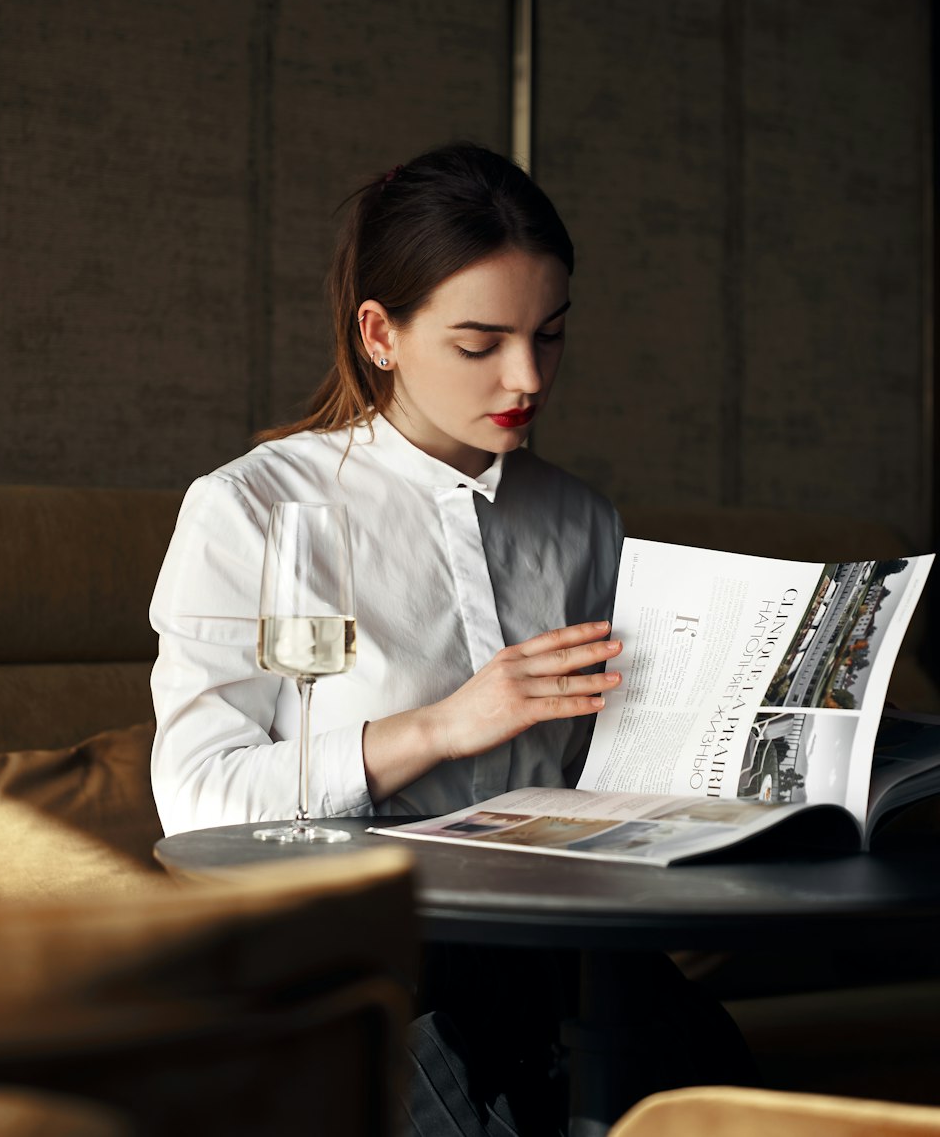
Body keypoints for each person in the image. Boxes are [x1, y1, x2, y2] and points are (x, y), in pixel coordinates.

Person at [149, 143, 753, 1135]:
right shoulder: (251, 509)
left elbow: (614, 770)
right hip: (368, 955)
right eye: (480, 343)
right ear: (380, 334)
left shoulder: (579, 519)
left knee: (712, 1091)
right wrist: (441, 727)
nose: (526, 378)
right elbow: (198, 795)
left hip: (568, 950)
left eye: (548, 336)